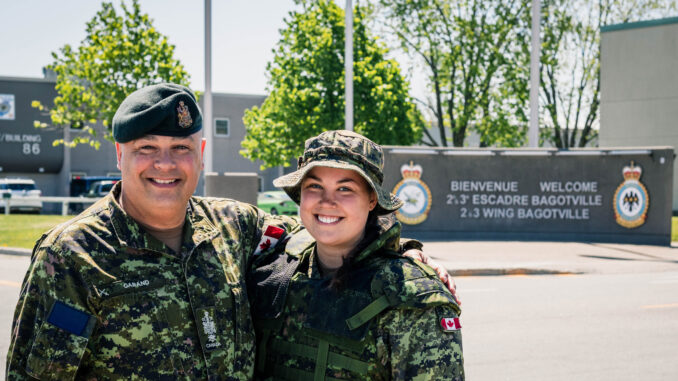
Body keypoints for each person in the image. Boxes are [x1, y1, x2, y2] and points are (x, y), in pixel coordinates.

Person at [6, 84, 455, 380]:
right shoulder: (72, 255)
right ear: (119, 154)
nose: (165, 164)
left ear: (199, 153)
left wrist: (406, 254)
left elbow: (326, 226)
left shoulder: (233, 226)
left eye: (180, 148)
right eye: (147, 149)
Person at [248, 130, 464, 380]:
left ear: (372, 200)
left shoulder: (411, 298)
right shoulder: (272, 265)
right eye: (314, 186)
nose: (327, 201)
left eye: (345, 189)